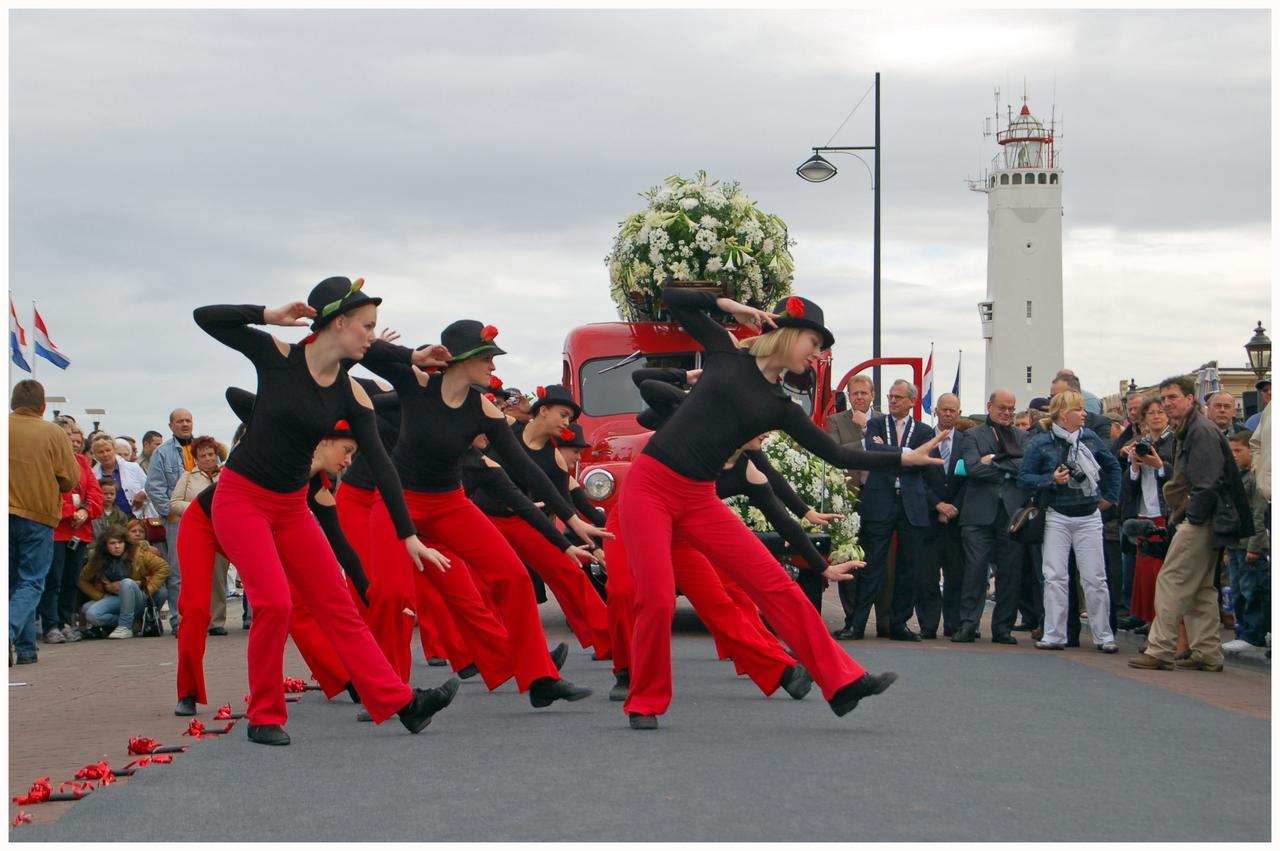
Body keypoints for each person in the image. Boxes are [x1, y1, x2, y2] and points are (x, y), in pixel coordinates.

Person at [618, 286, 943, 729]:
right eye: (816, 344)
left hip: (698, 498)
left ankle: (842, 682)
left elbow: (838, 455)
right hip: (650, 487)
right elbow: (672, 298)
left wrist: (903, 460)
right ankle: (645, 700)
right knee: (655, 600)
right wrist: (731, 307)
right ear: (789, 334)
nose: (819, 355)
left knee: (778, 586)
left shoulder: (780, 407)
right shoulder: (725, 352)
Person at [194, 277, 462, 745]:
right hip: (240, 499)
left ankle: (402, 704)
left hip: (291, 506)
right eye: (367, 326)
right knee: (275, 602)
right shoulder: (277, 356)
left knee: (338, 605)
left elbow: (384, 467)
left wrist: (409, 535)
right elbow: (206, 317)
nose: (372, 336)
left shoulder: (351, 394)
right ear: (338, 323)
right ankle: (264, 716)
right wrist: (268, 313)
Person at [360, 320, 604, 708]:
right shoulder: (416, 384)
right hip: (397, 501)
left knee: (514, 576)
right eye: (487, 358)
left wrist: (571, 521)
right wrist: (414, 357)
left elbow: (525, 470)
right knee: (391, 594)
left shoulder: (482, 410)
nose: (493, 366)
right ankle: (386, 692)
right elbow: (366, 350)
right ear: (460, 360)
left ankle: (539, 679)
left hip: (449, 504)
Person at [1130, 376, 1240, 672]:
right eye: (1164, 398)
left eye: (1173, 397)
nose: (1166, 403)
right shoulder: (1193, 429)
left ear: (1190, 399)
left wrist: (1191, 518)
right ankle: (1207, 652)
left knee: (1171, 580)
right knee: (1202, 588)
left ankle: (1160, 649)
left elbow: (1207, 482)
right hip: (1208, 516)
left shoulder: (1199, 431)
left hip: (1201, 517)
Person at [1019, 390, 1122, 652]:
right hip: (1057, 515)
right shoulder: (1041, 442)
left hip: (1089, 515)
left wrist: (1110, 497)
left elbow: (1111, 466)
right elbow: (1025, 477)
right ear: (1064, 414)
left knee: (1095, 578)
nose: (1084, 413)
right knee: (1054, 576)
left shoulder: (1090, 439)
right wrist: (1051, 480)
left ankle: (1104, 636)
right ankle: (1054, 634)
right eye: (1078, 409)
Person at [843, 379, 938, 642]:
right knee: (871, 565)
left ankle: (899, 623)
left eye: (898, 397)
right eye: (890, 396)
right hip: (880, 501)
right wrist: (908, 454)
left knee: (909, 567)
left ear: (912, 401)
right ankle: (857, 624)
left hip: (911, 505)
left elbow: (923, 462)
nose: (893, 401)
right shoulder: (876, 423)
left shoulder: (923, 430)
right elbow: (872, 451)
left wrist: (892, 454)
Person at [9, 380, 80, 666]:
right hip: (37, 514)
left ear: (13, 402)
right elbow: (69, 480)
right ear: (42, 406)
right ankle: (9, 632)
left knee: (13, 583)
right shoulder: (53, 432)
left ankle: (26, 648)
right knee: (31, 581)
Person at [954, 389, 1030, 645]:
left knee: (1010, 573)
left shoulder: (1023, 436)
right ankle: (968, 625)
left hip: (1011, 515)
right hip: (977, 515)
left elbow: (1025, 469)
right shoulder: (972, 435)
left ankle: (1003, 629)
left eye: (1011, 408)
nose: (1007, 413)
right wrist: (1008, 467)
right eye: (1003, 408)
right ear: (990, 406)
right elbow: (973, 468)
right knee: (974, 570)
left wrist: (994, 462)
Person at [38, 417, 103, 644]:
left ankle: (65, 622)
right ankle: (50, 625)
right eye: (68, 438)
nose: (74, 443)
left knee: (70, 580)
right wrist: (70, 512)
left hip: (79, 532)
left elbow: (95, 492)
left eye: (76, 440)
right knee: (53, 579)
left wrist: (85, 510)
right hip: (57, 530)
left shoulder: (83, 463)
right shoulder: (48, 461)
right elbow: (47, 494)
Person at [1118, 397, 1174, 631]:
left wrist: (1160, 464)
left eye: (1161, 412)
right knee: (1143, 570)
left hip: (1164, 512)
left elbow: (1176, 476)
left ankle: (1160, 620)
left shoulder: (1173, 442)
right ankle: (1146, 616)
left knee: (1160, 570)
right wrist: (1135, 465)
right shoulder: (1139, 442)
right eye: (1151, 413)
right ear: (1143, 419)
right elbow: (1129, 484)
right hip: (1143, 511)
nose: (1157, 416)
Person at [169, 435, 234, 635]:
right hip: (195, 531)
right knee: (192, 578)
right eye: (202, 455)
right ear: (195, 458)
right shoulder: (187, 477)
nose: (207, 458)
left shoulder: (226, 476)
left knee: (218, 578)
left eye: (211, 454)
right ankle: (188, 620)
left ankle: (216, 621)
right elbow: (174, 503)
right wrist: (197, 508)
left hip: (221, 531)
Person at [826, 374, 875, 636]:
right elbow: (835, 451)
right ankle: (852, 619)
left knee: (880, 562)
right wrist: (868, 440)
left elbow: (891, 449)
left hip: (879, 498)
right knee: (848, 557)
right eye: (854, 393)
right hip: (849, 498)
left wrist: (869, 428)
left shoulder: (881, 421)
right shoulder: (836, 421)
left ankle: (887, 620)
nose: (859, 397)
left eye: (863, 393)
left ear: (872, 396)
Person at [914, 392, 965, 639]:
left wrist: (952, 507)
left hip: (955, 522)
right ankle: (928, 624)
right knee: (927, 577)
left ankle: (953, 624)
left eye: (952, 410)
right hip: (929, 520)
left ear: (959, 413)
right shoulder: (924, 440)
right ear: (936, 410)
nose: (948, 414)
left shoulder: (967, 443)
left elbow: (968, 481)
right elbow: (917, 478)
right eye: (944, 409)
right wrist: (937, 505)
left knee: (955, 576)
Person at [145, 408, 198, 631]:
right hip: (177, 519)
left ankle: (203, 617)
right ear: (171, 426)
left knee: (202, 570)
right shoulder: (162, 453)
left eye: (188, 420)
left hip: (203, 518)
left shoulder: (203, 449)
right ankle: (179, 619)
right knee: (178, 571)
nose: (185, 424)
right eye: (180, 421)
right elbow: (154, 486)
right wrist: (171, 511)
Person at [1222, 431, 1269, 652]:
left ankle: (1253, 634)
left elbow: (1258, 516)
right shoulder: (1235, 477)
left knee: (1252, 590)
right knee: (1238, 590)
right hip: (1235, 544)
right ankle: (1241, 631)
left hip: (1250, 546)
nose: (1234, 455)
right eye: (1231, 451)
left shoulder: (1255, 479)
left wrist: (1255, 546)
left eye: (1239, 451)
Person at [78, 524, 169, 639]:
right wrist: (102, 594)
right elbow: (82, 579)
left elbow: (164, 567)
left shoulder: (138, 554)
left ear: (125, 543)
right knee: (91, 614)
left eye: (120, 543)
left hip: (138, 597)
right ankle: (135, 623)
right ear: (105, 546)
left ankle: (125, 627)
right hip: (116, 598)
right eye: (112, 543)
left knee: (126, 583)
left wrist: (147, 588)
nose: (117, 546)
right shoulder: (98, 559)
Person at [90, 436, 150, 520]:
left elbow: (150, 486)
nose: (105, 454)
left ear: (114, 450)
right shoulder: (92, 474)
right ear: (94, 455)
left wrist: (142, 493)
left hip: (133, 517)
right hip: (105, 519)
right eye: (100, 452)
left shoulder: (133, 467)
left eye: (108, 450)